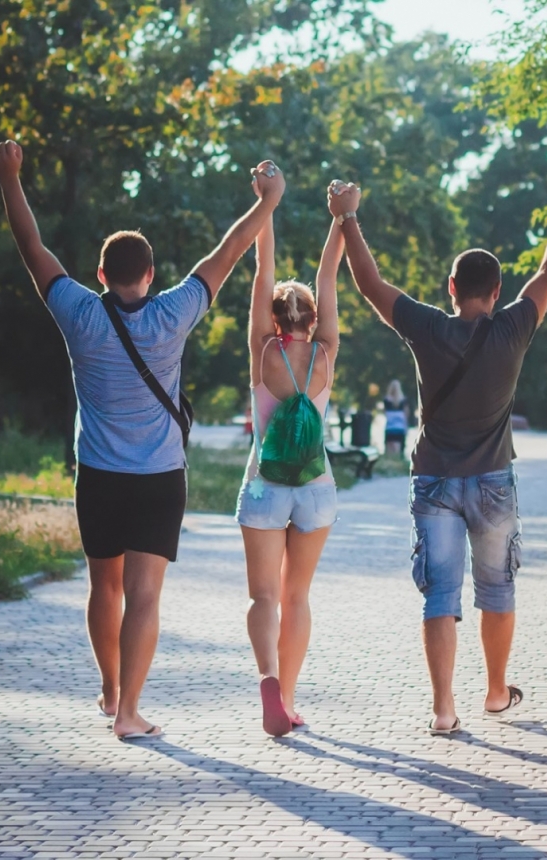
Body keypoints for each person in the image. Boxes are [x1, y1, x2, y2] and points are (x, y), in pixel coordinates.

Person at [0, 140, 285, 740]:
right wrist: (267, 202)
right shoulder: (173, 313)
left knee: (105, 585)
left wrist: (9, 178)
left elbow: (32, 247)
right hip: (158, 479)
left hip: (96, 475)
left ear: (101, 275)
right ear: (150, 275)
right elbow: (227, 253)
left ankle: (108, 687)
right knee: (145, 594)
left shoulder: (79, 312)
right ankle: (129, 713)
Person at [328, 179, 547, 734]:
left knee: (440, 593)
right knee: (498, 589)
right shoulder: (514, 328)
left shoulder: (428, 327)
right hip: (492, 483)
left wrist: (347, 218)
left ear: (452, 286)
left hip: (434, 479)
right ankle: (493, 691)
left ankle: (443, 708)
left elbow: (369, 283)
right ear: (497, 289)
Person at [235, 182, 348, 736]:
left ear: (275, 316)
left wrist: (268, 204)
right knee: (297, 595)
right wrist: (339, 219)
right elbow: (328, 278)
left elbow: (263, 271)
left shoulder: (262, 350)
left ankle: (268, 685)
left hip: (263, 483)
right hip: (316, 486)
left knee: (263, 595)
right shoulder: (325, 353)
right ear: (312, 317)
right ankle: (291, 697)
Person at [383, 379, 409, 458]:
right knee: (399, 451)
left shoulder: (386, 400)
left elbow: (384, 412)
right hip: (400, 427)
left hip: (390, 427)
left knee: (389, 450)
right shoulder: (403, 400)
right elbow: (406, 414)